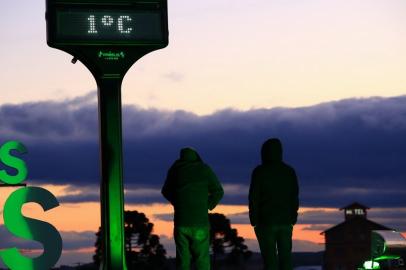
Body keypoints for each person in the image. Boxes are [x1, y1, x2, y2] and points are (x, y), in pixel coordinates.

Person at [162, 147, 224, 270]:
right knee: (202, 261)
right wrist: (207, 205)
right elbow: (218, 191)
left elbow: (165, 191)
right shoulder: (204, 169)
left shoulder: (175, 169)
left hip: (181, 224)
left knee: (183, 261)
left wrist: (178, 203)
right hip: (200, 224)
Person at [249, 138, 299, 270]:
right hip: (286, 221)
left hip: (266, 222)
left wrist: (253, 219)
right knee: (286, 259)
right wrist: (293, 217)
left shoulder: (259, 171)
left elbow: (253, 197)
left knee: (270, 260)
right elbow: (294, 196)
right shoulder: (289, 171)